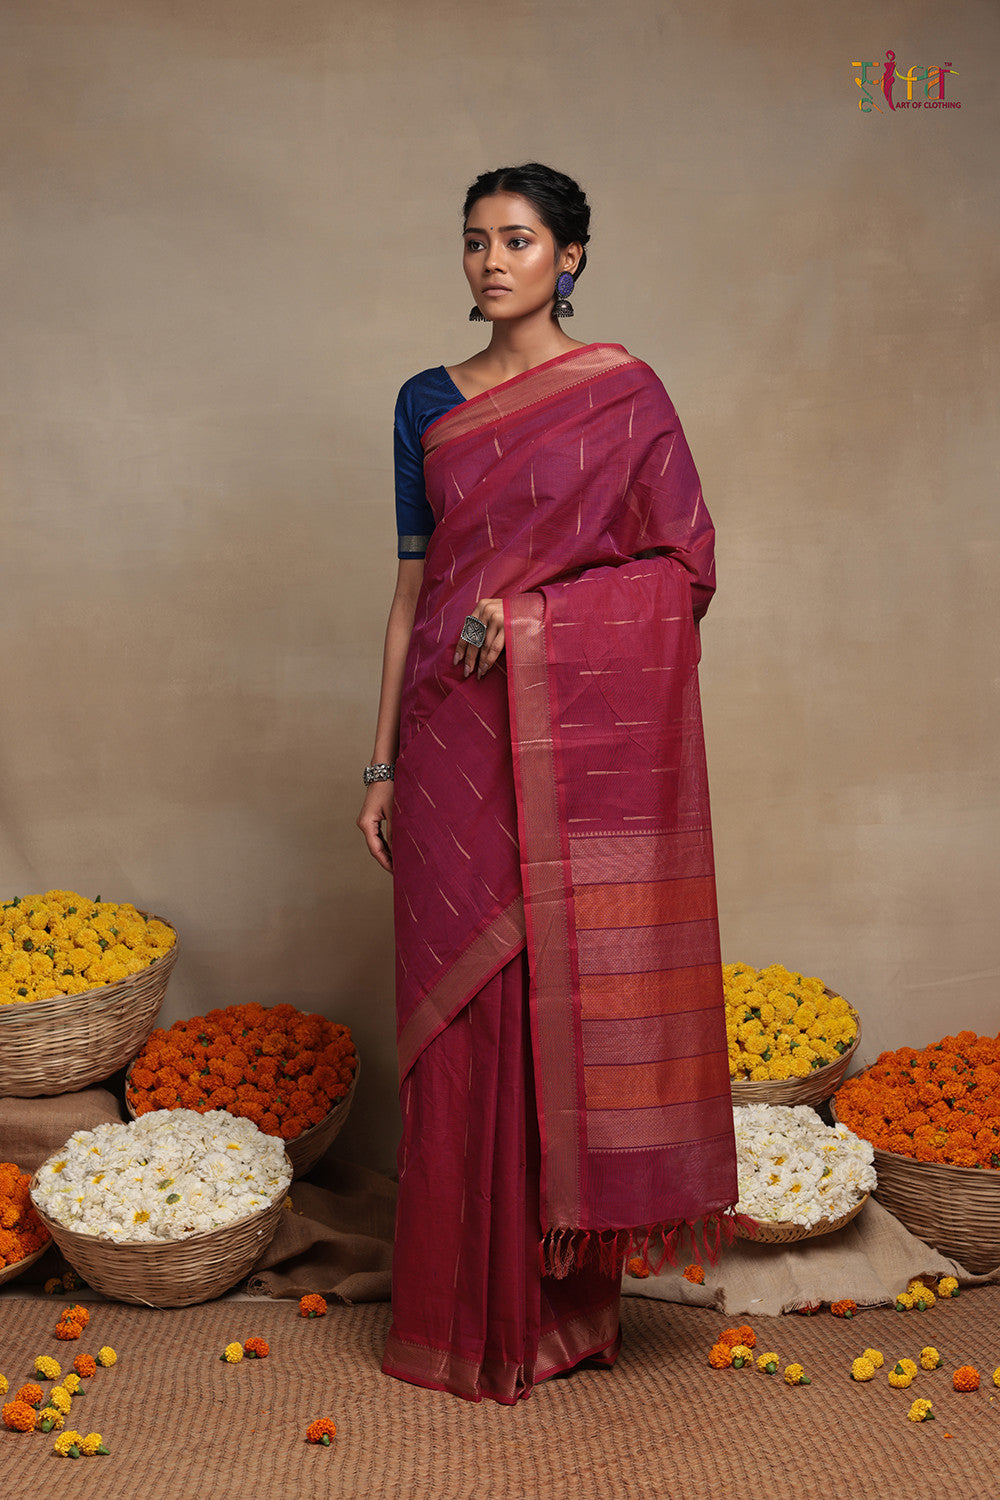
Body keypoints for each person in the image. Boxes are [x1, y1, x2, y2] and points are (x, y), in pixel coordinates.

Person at [358, 164, 737, 1404]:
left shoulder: (623, 395)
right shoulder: (424, 401)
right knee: (458, 1022)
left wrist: (532, 622)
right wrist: (380, 763)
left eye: (517, 240)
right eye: (474, 241)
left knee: (553, 1000)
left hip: (562, 742)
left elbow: (680, 569)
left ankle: (553, 1316)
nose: (491, 262)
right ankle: (454, 1315)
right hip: (447, 740)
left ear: (569, 257)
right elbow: (411, 596)